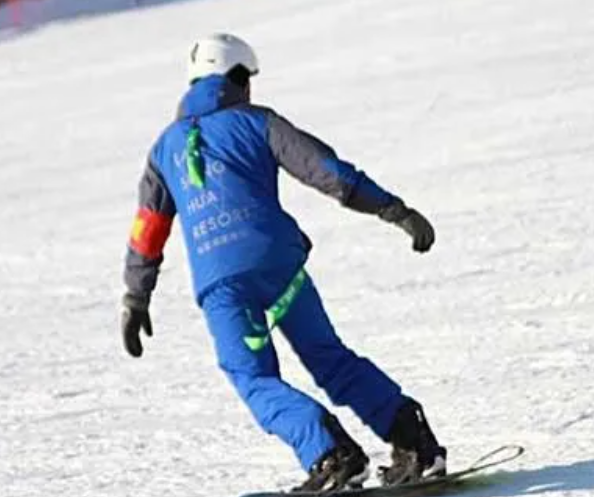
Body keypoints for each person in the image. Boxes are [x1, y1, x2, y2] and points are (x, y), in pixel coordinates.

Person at [120, 33, 447, 492]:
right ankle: (414, 441)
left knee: (252, 377)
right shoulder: (257, 122)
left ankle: (331, 454)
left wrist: (136, 296)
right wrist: (394, 210)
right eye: (246, 79)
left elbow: (148, 229)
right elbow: (328, 171)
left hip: (222, 283)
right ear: (235, 76)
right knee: (330, 358)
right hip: (280, 267)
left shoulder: (164, 149)